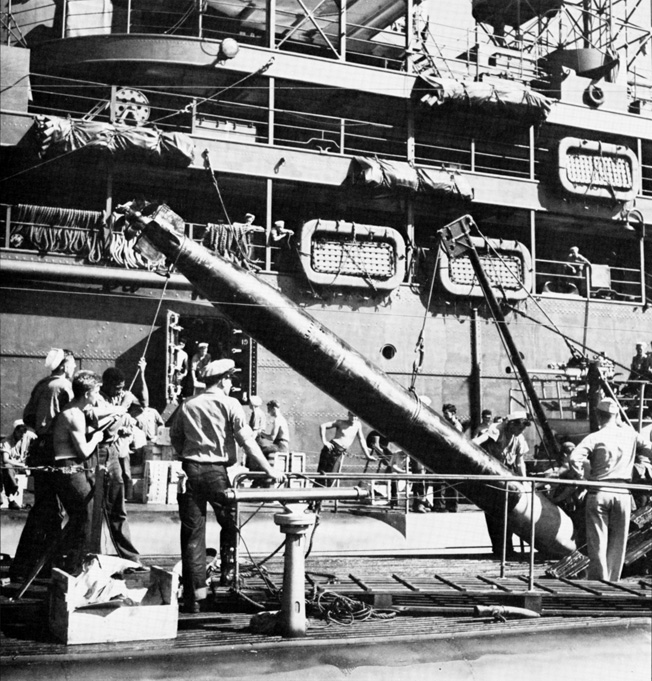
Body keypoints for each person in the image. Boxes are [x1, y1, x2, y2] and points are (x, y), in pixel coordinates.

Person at [170, 359, 285, 612]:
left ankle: (194, 597)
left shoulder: (187, 404)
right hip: (216, 473)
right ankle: (229, 576)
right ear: (223, 379)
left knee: (192, 535)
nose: (232, 383)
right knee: (231, 523)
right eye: (231, 378)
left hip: (190, 472)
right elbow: (248, 442)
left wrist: (190, 454)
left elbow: (175, 438)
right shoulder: (230, 404)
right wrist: (269, 471)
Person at [9, 348, 76, 581]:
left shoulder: (41, 384)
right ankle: (42, 565)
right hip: (53, 452)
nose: (74, 368)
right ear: (64, 366)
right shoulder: (62, 387)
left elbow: (29, 417)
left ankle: (31, 564)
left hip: (41, 451)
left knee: (44, 509)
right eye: (72, 364)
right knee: (54, 510)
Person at [569, 398, 651, 581]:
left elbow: (574, 458)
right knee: (618, 542)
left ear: (598, 415)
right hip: (622, 492)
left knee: (597, 540)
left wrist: (581, 477)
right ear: (617, 415)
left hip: (599, 491)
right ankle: (613, 580)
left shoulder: (595, 437)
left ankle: (600, 581)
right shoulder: (631, 435)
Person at [50, 371, 106, 575]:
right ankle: (76, 568)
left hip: (69, 468)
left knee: (81, 516)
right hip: (70, 468)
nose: (98, 396)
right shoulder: (75, 415)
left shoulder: (75, 411)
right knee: (87, 515)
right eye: (96, 392)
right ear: (87, 393)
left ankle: (72, 561)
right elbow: (83, 451)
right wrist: (96, 438)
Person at [96, 363, 143, 562]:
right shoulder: (97, 398)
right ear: (106, 384)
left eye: (122, 388)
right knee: (89, 511)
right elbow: (106, 428)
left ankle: (130, 557)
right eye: (117, 388)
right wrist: (121, 409)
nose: (120, 391)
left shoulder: (119, 396)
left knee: (117, 506)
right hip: (98, 452)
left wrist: (142, 373)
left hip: (113, 452)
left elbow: (143, 405)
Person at [473, 410, 530, 558]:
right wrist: (470, 446)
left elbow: (519, 462)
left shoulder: (519, 438)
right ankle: (498, 548)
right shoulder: (497, 430)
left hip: (508, 474)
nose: (521, 431)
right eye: (520, 428)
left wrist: (525, 481)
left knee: (509, 513)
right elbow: (481, 440)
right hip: (492, 474)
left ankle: (507, 548)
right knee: (493, 514)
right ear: (511, 425)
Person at [317, 411, 375, 488]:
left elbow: (362, 440)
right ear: (348, 415)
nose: (354, 418)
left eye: (356, 416)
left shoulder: (358, 425)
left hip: (340, 452)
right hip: (331, 450)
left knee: (332, 477)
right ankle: (317, 497)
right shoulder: (340, 422)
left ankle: (323, 497)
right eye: (352, 415)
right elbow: (322, 426)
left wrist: (367, 455)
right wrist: (325, 441)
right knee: (323, 475)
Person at [432, 403, 463, 512]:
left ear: (453, 413)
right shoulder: (445, 423)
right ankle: (439, 505)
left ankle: (452, 505)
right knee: (440, 480)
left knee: (452, 482)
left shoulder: (456, 425)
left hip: (452, 456)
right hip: (444, 455)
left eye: (446, 413)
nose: (444, 415)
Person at [1, 420, 36, 509]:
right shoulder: (6, 441)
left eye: (24, 431)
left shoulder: (27, 437)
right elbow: (6, 460)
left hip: (23, 465)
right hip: (11, 466)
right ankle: (12, 496)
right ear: (15, 431)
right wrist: (21, 465)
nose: (22, 434)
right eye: (20, 431)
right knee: (7, 468)